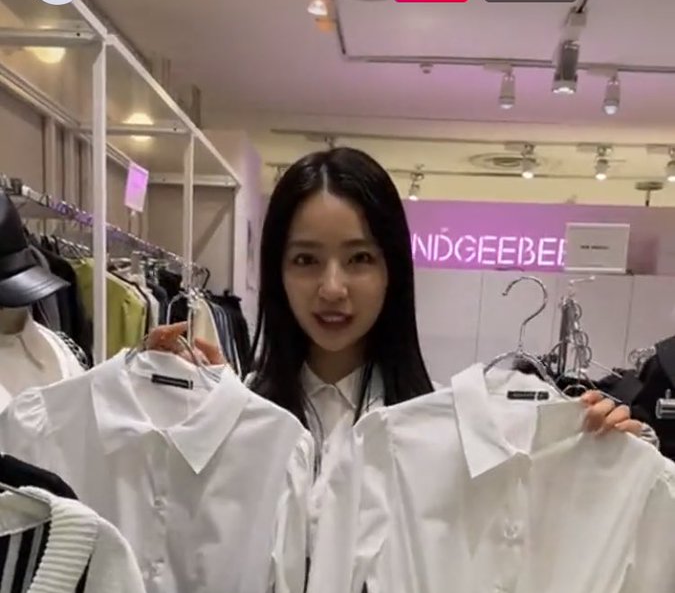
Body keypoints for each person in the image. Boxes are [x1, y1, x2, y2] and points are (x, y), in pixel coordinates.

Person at [148, 147, 647, 459]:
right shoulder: (237, 416)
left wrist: (605, 452)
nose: (332, 288)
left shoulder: (448, 431)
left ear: (394, 272)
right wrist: (165, 396)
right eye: (305, 259)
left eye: (360, 258)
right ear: (277, 272)